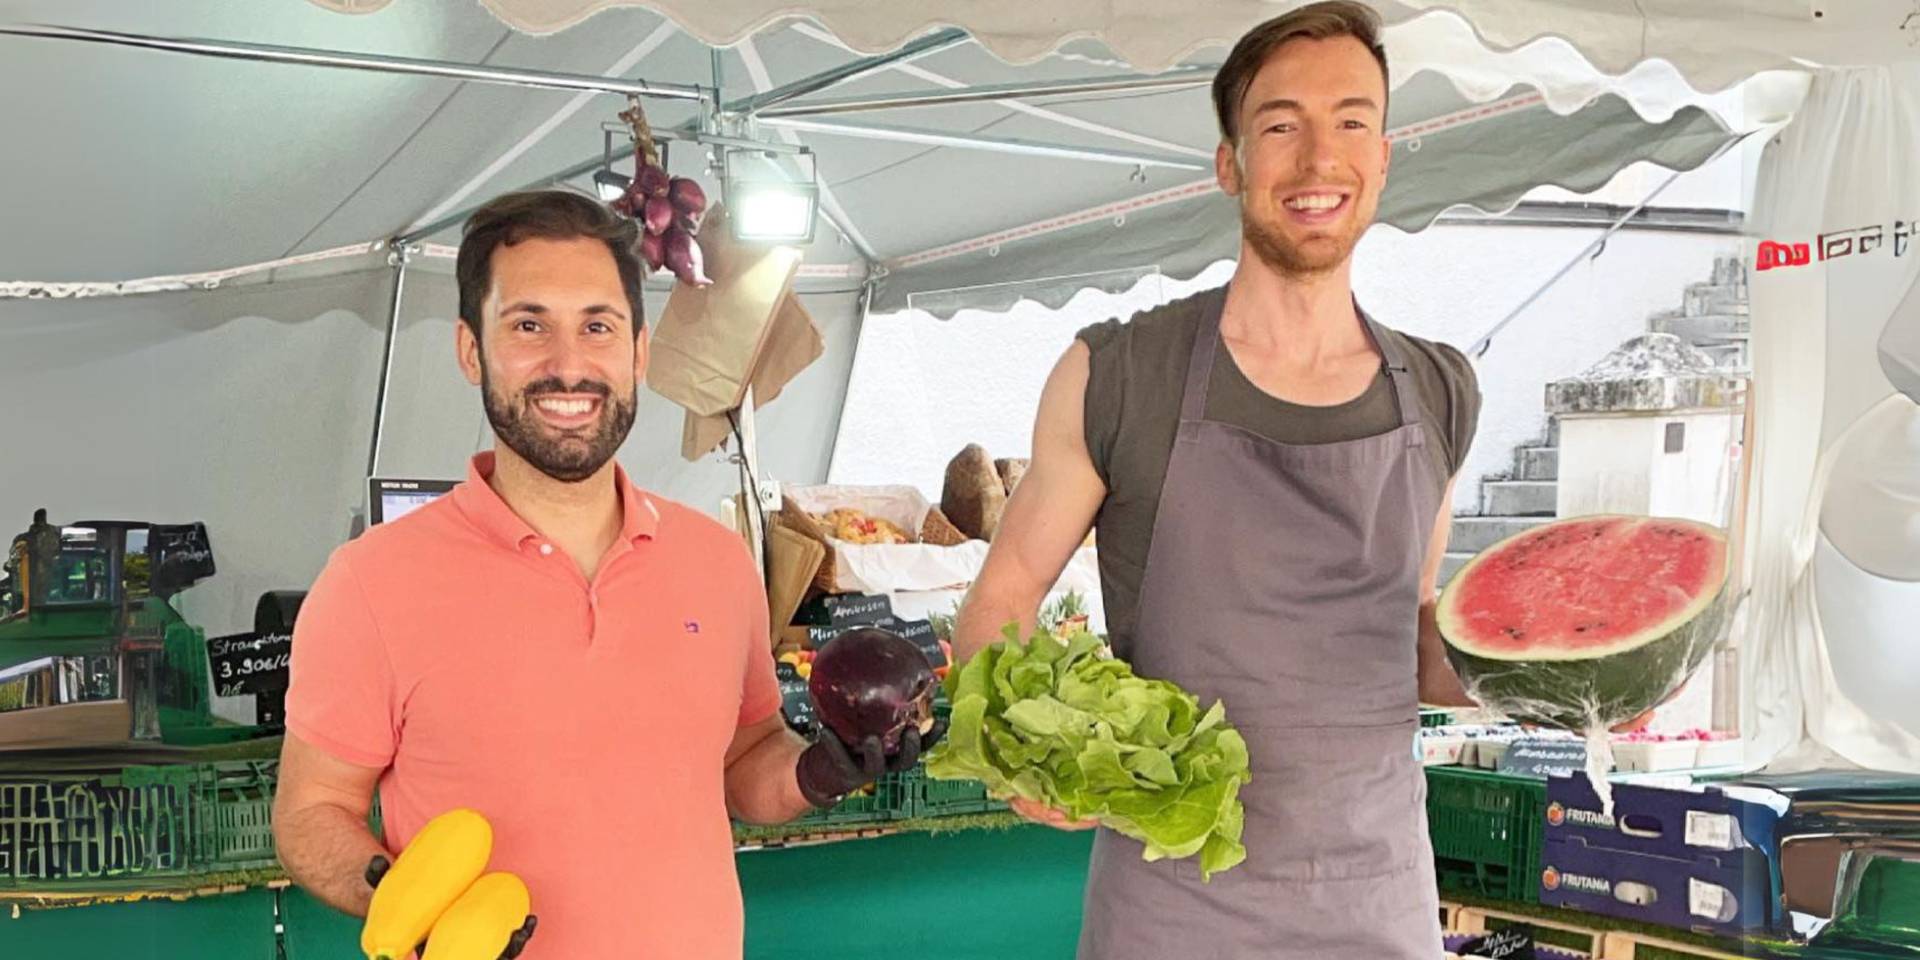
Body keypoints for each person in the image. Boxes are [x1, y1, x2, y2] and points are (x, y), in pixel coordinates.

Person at [274, 190, 933, 959]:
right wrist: (408, 907)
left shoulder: (715, 563)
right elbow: (310, 812)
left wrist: (821, 769)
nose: (568, 365)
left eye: (598, 326)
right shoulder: (370, 583)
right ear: (469, 349)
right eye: (528, 325)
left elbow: (744, 765)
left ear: (638, 353)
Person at [951, 4, 1482, 957]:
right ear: (1230, 163)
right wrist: (1021, 752)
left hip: (1379, 904)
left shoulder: (1441, 392)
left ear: (1386, 156)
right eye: (1281, 125)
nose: (1321, 159)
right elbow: (1005, 595)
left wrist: (1548, 673)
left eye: (1351, 121)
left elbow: (1415, 638)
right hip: (1172, 911)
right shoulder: (1118, 374)